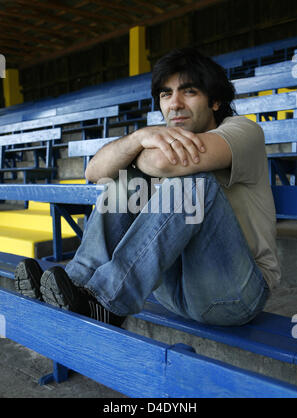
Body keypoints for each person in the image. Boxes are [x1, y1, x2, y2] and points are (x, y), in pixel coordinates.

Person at [14, 47, 280, 327]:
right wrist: (138, 137)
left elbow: (166, 161)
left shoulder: (243, 130)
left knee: (191, 181)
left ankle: (110, 301)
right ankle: (77, 283)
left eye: (188, 91)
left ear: (215, 101)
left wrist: (134, 152)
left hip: (235, 294)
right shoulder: (155, 136)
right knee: (127, 179)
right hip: (171, 291)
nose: (174, 104)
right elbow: (93, 172)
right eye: (166, 94)